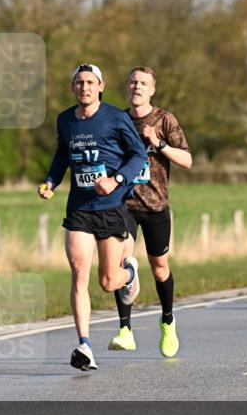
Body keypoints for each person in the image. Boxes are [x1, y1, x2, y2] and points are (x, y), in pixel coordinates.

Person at [39, 63, 148, 371]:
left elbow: (138, 154)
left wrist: (116, 180)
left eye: (90, 82)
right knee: (78, 272)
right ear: (72, 88)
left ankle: (130, 273)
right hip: (79, 210)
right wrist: (51, 181)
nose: (84, 87)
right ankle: (84, 345)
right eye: (79, 82)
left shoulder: (116, 118)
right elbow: (62, 155)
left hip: (112, 207)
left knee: (108, 281)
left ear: (101, 86)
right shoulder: (65, 120)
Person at [108, 67, 192, 358]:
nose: (137, 87)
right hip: (125, 203)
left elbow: (187, 160)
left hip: (156, 207)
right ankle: (125, 330)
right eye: (133, 82)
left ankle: (168, 320)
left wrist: (159, 143)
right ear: (127, 87)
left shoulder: (164, 119)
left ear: (152, 89)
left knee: (160, 268)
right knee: (122, 261)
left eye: (143, 83)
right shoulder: (117, 120)